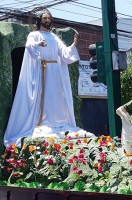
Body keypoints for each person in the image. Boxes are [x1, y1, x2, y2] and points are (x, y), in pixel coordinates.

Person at [3, 8, 92, 147]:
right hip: (42, 72)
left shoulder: (54, 37)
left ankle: (58, 122)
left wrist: (74, 45)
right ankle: (42, 122)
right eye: (45, 18)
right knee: (42, 96)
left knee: (57, 97)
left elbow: (64, 53)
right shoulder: (34, 34)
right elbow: (29, 46)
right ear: (39, 21)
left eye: (49, 18)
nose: (47, 20)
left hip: (55, 72)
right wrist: (38, 44)